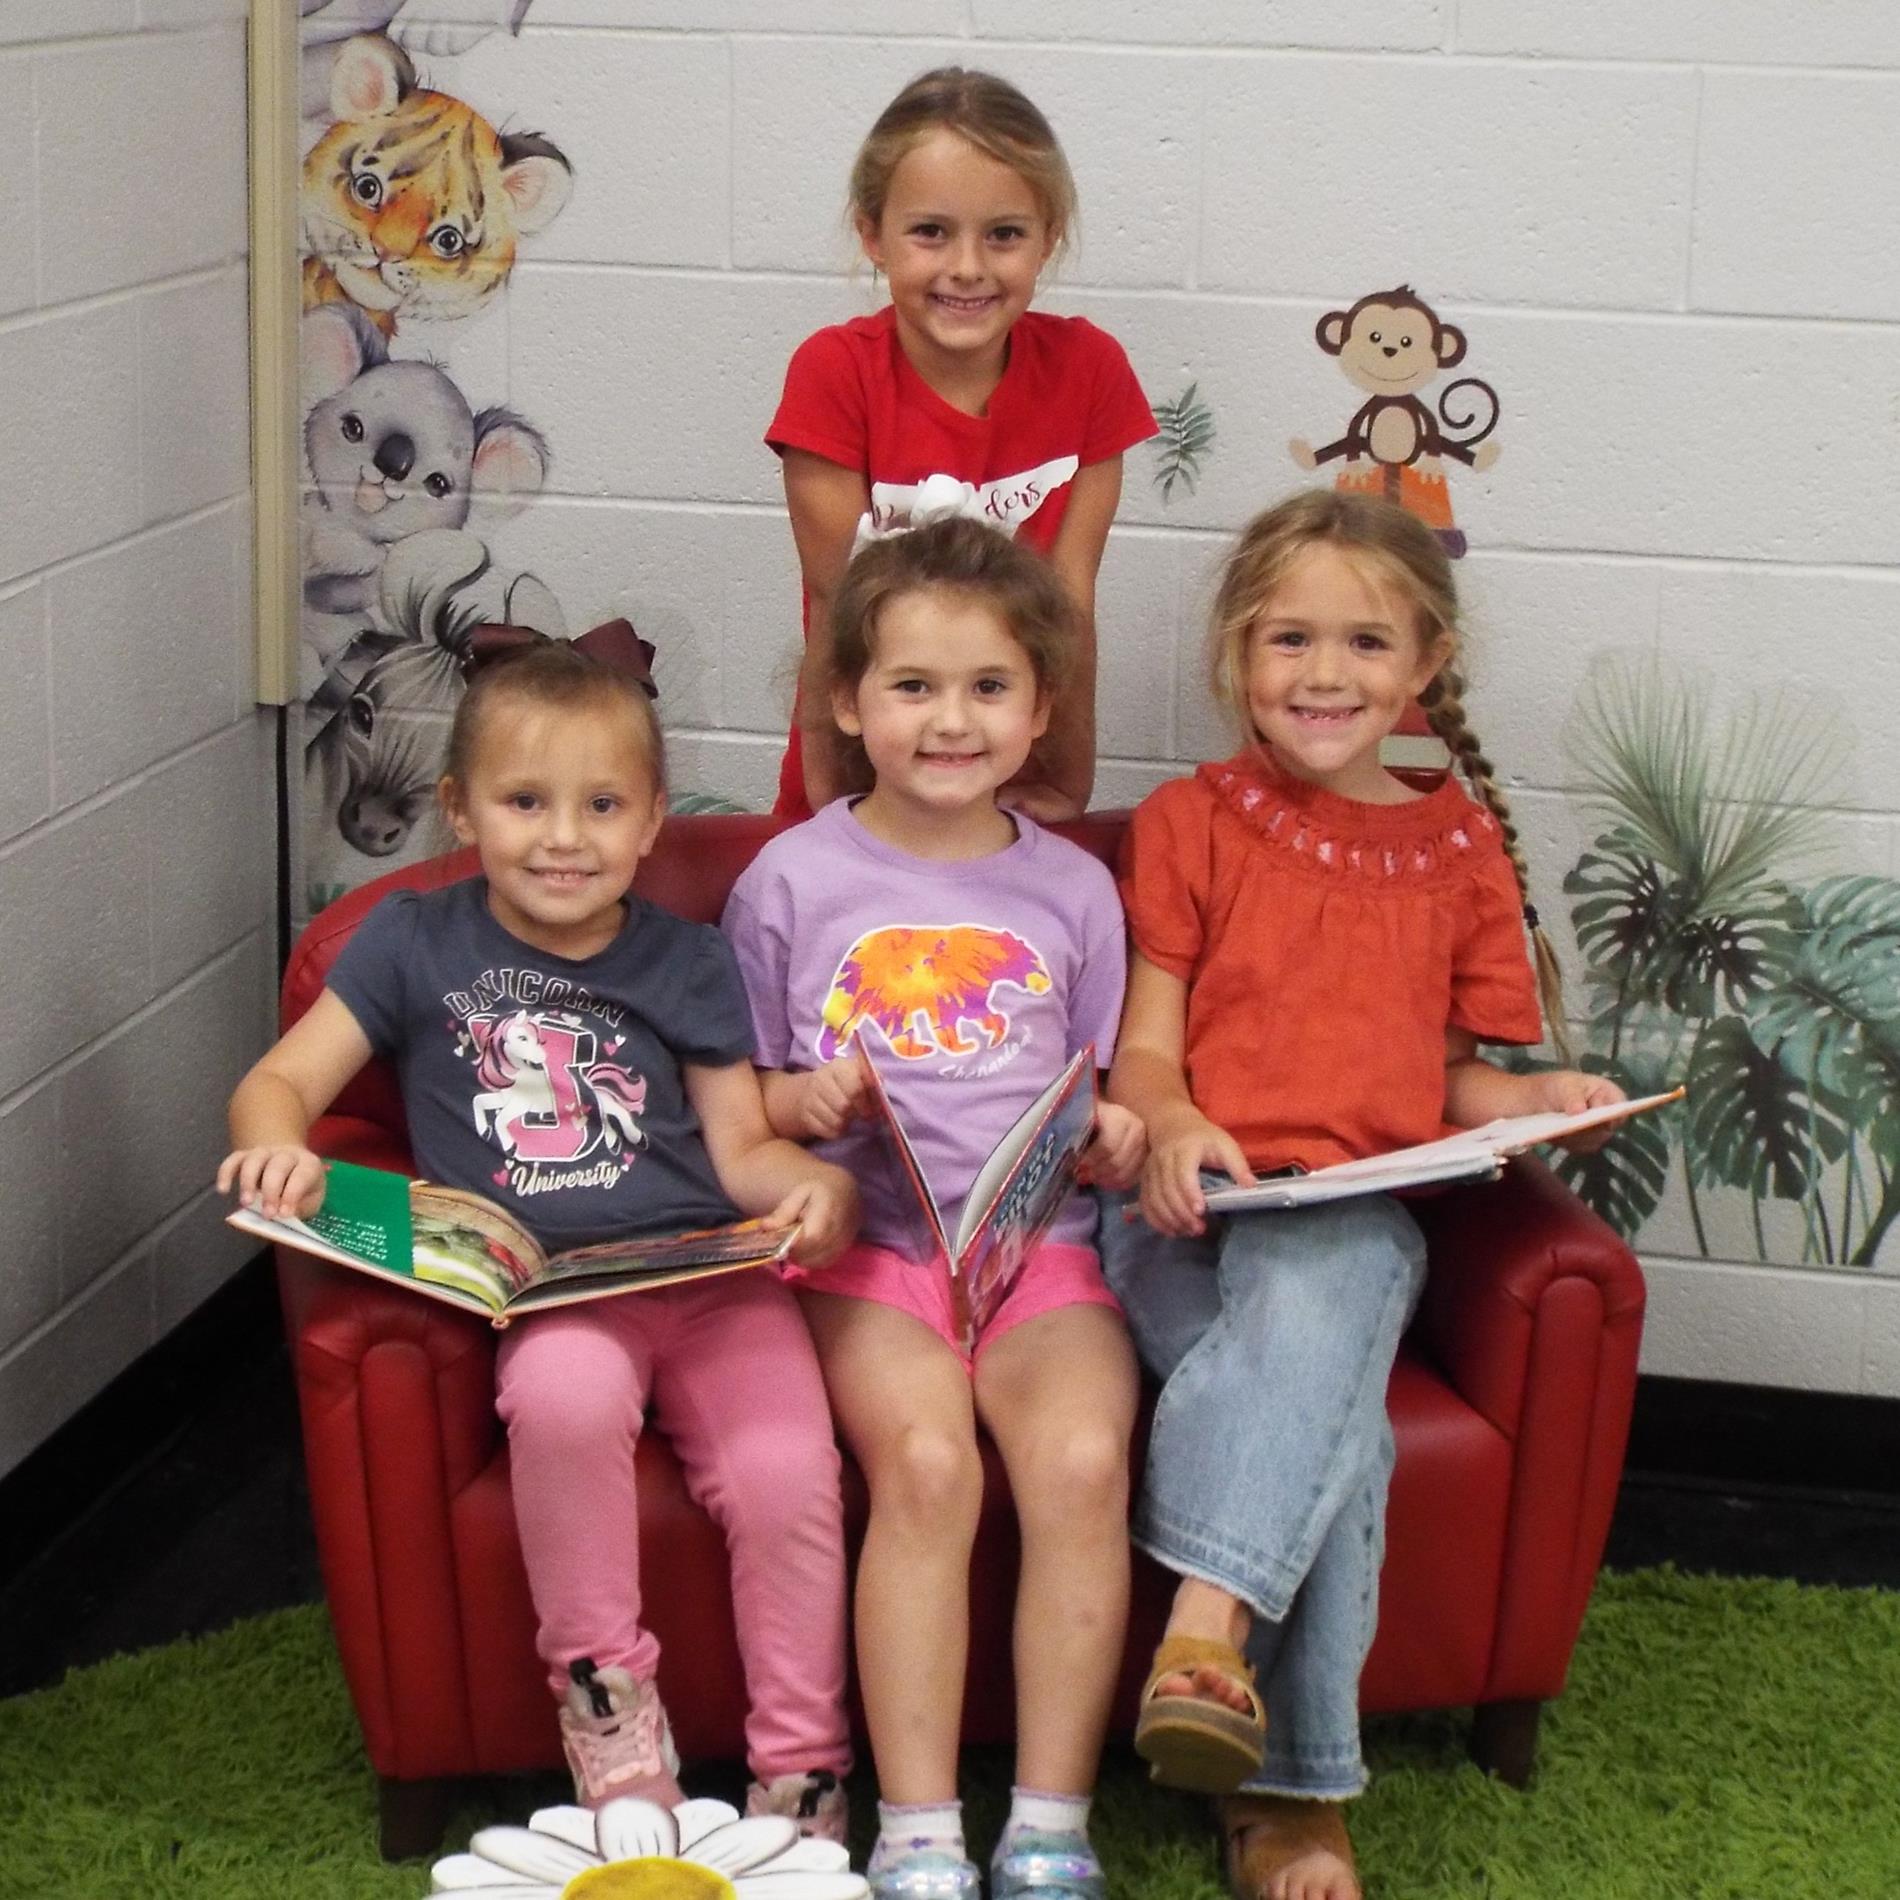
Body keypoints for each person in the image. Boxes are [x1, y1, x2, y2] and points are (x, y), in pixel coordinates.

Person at [217, 632, 861, 1839]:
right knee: (562, 1405)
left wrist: (805, 1190)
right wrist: (278, 1143)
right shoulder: (416, 942)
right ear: (461, 808)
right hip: (553, 1294)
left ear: (653, 818)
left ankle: (803, 1770)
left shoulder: (687, 957)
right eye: (525, 802)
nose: (564, 838)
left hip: (710, 1281)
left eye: (602, 804)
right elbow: (279, 1083)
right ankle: (611, 1723)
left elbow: (741, 1144)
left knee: (788, 1472)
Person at [1099, 490, 1625, 1900]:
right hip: (1185, 1211)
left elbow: (1447, 1079)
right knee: (1349, 1440)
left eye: (1361, 643)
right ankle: (1288, 1804)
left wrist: (1532, 1100)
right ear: (1236, 652)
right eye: (1288, 639)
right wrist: (1172, 1120)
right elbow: (1147, 1046)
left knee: (1334, 1267)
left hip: (1345, 1211)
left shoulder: (1459, 855)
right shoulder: (1189, 822)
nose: (1322, 675)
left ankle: (1206, 1636)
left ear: (1423, 663)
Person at [722, 517, 1147, 1900]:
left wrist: (1113, 1133)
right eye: (912, 686)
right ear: (847, 704)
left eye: (987, 688)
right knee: (927, 1465)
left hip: (1037, 1258)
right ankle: (914, 1827)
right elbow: (748, 1098)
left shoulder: (1076, 888)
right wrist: (805, 1109)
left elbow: (1094, 1083)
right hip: (874, 1257)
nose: (949, 720)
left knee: (1080, 1465)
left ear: (1038, 712)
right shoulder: (789, 880)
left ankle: (1048, 1820)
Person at [766, 65, 1157, 824]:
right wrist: (830, 809)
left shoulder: (1089, 369)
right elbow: (834, 605)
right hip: (865, 771)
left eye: (1004, 234)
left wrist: (1068, 782)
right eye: (931, 232)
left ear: (1048, 239)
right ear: (872, 235)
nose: (968, 267)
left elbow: (1071, 599)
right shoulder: (835, 372)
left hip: (1007, 769)